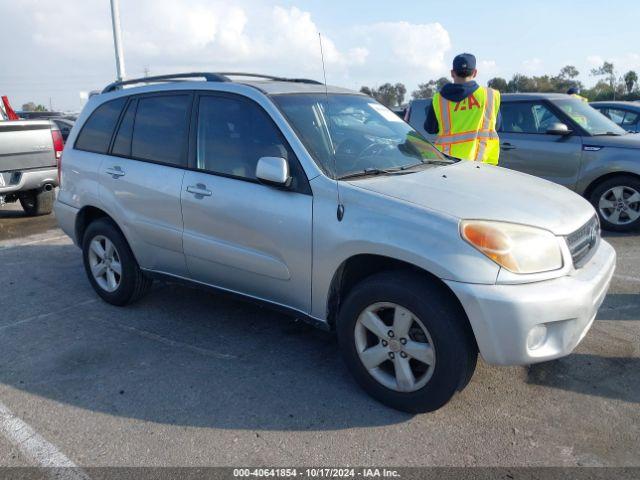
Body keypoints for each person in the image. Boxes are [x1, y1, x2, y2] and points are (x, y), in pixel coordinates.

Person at [425, 53, 501, 165]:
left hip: (449, 164)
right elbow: (497, 125)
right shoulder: (490, 95)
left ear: (452, 73)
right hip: (483, 166)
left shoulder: (439, 99)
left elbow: (430, 128)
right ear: (475, 72)